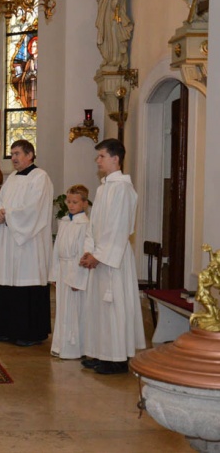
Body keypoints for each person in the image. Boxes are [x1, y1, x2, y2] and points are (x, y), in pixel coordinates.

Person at [79, 139, 145, 375]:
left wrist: (99, 255)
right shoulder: (103, 187)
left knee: (114, 307)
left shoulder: (123, 189)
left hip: (113, 259)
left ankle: (116, 359)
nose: (98, 161)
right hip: (99, 255)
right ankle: (100, 353)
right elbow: (94, 224)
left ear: (116, 159)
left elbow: (119, 227)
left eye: (102, 156)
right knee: (99, 309)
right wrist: (89, 249)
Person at [0, 139, 53, 347]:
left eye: (17, 154)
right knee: (6, 280)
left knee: (26, 281)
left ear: (30, 155)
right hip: (9, 239)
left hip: (29, 242)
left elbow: (34, 209)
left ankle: (29, 332)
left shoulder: (40, 177)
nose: (13, 158)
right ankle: (5, 329)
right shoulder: (13, 178)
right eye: (12, 154)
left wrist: (8, 215)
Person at [49, 184, 90, 360]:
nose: (71, 205)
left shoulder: (85, 225)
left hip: (75, 270)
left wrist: (78, 279)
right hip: (63, 269)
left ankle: (75, 348)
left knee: (74, 310)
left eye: (75, 202)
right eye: (69, 201)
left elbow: (83, 253)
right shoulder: (65, 222)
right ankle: (60, 345)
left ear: (84, 203)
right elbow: (57, 249)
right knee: (62, 310)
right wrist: (54, 274)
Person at [95, 0, 133, 68]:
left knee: (113, 29)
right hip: (107, 1)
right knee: (106, 29)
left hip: (114, 2)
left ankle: (116, 58)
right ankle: (109, 57)